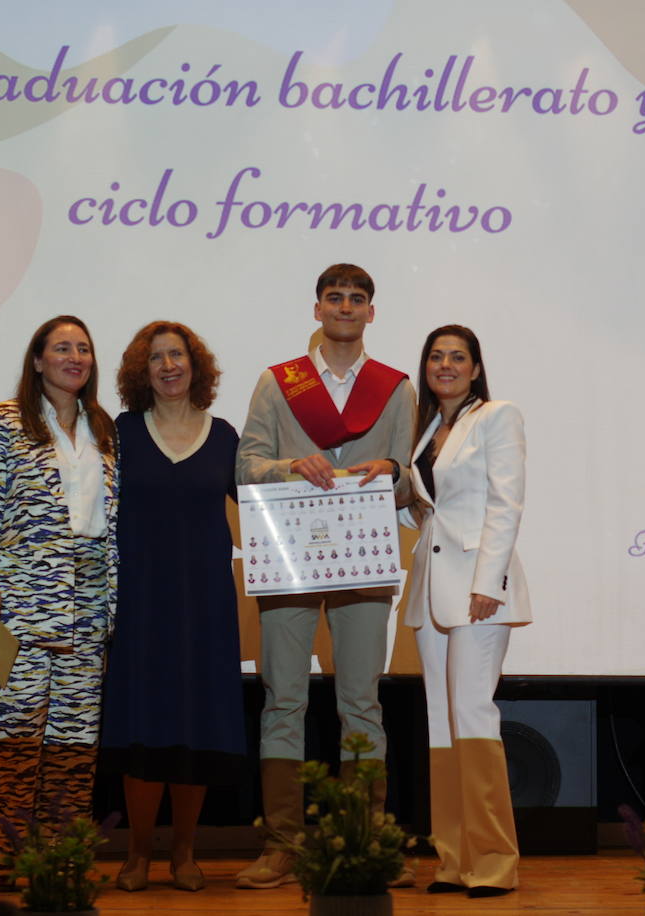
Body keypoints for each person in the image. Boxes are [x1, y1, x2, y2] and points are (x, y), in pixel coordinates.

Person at [234, 263, 415, 890]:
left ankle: (360, 843)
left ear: (371, 312)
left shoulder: (396, 388)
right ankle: (283, 844)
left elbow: (406, 478)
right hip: (289, 555)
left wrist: (388, 467)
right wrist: (289, 465)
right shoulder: (277, 382)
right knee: (284, 698)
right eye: (334, 297)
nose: (345, 306)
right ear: (317, 309)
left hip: (363, 556)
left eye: (356, 298)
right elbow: (247, 465)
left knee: (360, 702)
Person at [0, 315, 118, 892]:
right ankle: (6, 864)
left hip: (91, 604)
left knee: (74, 744)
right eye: (61, 348)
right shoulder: (1, 422)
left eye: (83, 349)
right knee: (15, 741)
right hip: (21, 603)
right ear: (37, 359)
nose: (74, 357)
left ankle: (60, 863)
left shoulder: (104, 426)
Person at [99, 321, 245, 893]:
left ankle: (184, 852)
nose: (168, 366)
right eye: (156, 358)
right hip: (141, 602)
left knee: (197, 727)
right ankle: (137, 854)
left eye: (177, 355)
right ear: (142, 370)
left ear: (195, 365)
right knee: (143, 726)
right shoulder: (121, 433)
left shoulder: (227, 434)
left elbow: (264, 502)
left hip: (206, 605)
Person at [403, 324, 530, 899]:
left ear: (476, 368)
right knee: (441, 723)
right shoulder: (428, 427)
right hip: (433, 588)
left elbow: (506, 503)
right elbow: (430, 511)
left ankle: (496, 861)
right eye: (436, 357)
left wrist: (489, 583)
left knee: (474, 716)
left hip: (478, 589)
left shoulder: (497, 416)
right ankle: (453, 859)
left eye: (458, 357)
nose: (446, 365)